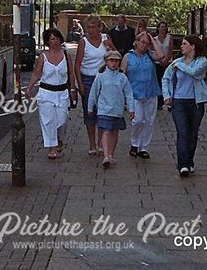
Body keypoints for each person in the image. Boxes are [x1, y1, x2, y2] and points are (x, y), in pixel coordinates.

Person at [162, 35, 207, 177]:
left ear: (193, 46)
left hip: (195, 102)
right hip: (179, 102)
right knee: (182, 132)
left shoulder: (201, 61)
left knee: (192, 134)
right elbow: (165, 79)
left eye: (185, 44)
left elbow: (195, 73)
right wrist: (167, 96)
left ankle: (189, 161)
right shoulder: (177, 63)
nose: (182, 46)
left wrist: (180, 66)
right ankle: (182, 164)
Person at [25, 29, 77, 160]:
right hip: (46, 93)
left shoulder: (66, 55)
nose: (55, 41)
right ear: (48, 41)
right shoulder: (43, 57)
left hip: (62, 92)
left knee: (62, 119)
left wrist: (72, 90)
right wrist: (29, 88)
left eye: (57, 38)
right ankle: (51, 147)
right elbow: (37, 73)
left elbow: (71, 74)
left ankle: (59, 138)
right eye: (52, 39)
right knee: (48, 121)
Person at [87, 50, 134, 167]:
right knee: (106, 131)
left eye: (116, 61)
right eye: (111, 61)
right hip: (104, 109)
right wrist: (90, 107)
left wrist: (131, 108)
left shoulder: (122, 78)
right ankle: (106, 155)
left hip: (117, 110)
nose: (114, 63)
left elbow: (128, 94)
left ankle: (111, 154)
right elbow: (94, 93)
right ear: (106, 62)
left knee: (114, 132)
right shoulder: (100, 77)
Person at [122, 32, 161, 159]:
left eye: (147, 43)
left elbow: (161, 55)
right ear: (136, 42)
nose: (144, 45)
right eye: (142, 42)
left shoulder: (149, 55)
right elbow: (122, 75)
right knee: (137, 120)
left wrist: (153, 41)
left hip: (150, 91)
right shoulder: (128, 56)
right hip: (134, 93)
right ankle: (134, 143)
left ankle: (144, 147)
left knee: (149, 121)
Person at [74, 14, 107, 155]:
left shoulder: (106, 39)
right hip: (87, 78)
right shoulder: (83, 42)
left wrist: (110, 47)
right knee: (90, 113)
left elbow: (116, 56)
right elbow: (77, 64)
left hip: (103, 79)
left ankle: (100, 143)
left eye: (93, 27)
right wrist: (79, 84)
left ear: (99, 28)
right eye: (88, 27)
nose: (91, 30)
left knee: (102, 112)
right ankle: (92, 144)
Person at [151, 21, 174, 110]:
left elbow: (171, 50)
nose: (163, 28)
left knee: (169, 81)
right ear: (158, 28)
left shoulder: (169, 38)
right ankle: (160, 102)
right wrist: (160, 60)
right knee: (158, 82)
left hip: (168, 62)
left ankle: (169, 102)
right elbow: (154, 50)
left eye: (165, 27)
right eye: (162, 27)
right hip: (158, 62)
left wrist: (166, 60)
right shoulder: (155, 39)